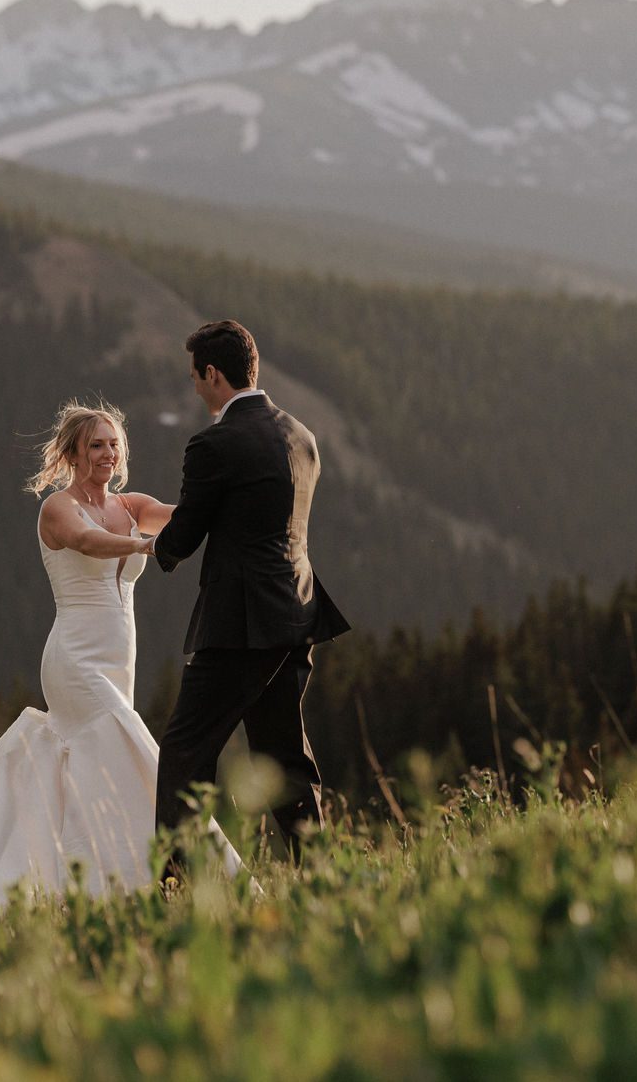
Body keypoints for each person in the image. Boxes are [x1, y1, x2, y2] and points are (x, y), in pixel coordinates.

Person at [0, 402, 237, 925]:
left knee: (98, 766)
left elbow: (191, 517)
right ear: (74, 453)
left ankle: (85, 882)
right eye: (96, 444)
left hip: (120, 660)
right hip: (75, 660)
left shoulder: (131, 503)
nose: (108, 452)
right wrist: (146, 547)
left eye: (114, 443)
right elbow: (85, 541)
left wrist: (231, 489)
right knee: (136, 750)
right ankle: (184, 874)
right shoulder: (57, 508)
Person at [153, 319, 350, 872]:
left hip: (240, 623)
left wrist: (146, 545)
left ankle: (180, 886)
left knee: (185, 751)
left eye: (196, 377)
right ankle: (321, 877)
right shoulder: (302, 436)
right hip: (297, 613)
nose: (195, 388)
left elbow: (186, 534)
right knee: (285, 756)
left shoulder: (214, 443)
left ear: (213, 374)